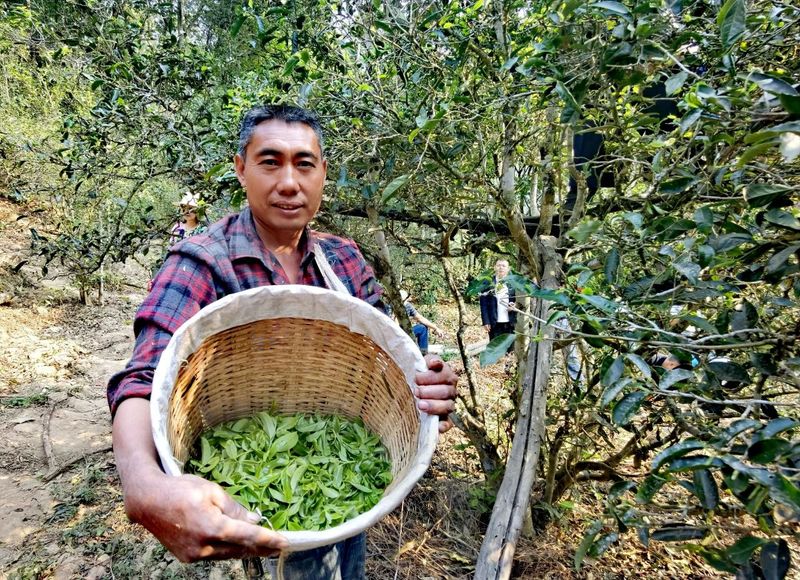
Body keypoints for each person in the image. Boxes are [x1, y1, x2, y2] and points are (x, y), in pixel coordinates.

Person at [107, 105, 458, 575]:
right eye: (270, 162)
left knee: (342, 559)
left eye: (304, 164)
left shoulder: (344, 259)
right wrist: (142, 483)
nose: (289, 182)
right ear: (241, 169)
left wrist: (429, 387)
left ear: (323, 174)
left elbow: (390, 360)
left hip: (344, 499)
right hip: (247, 510)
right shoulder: (204, 262)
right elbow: (144, 379)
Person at [479, 259, 517, 340]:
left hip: (511, 322)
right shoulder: (487, 283)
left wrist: (515, 305)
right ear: (494, 267)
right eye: (499, 265)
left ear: (508, 268)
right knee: (495, 349)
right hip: (494, 322)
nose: (501, 268)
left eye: (503, 266)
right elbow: (483, 304)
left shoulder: (514, 283)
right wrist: (486, 321)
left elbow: (520, 300)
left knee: (509, 350)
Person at [401, 290, 446, 355]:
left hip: (405, 332)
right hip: (394, 334)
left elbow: (420, 318)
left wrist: (436, 328)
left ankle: (424, 353)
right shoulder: (390, 306)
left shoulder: (408, 306)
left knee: (422, 328)